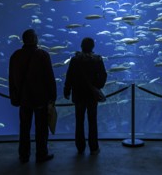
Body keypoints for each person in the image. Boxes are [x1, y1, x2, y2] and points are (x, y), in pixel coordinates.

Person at [9, 29, 57, 163]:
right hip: (40, 99)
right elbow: (49, 78)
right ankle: (41, 154)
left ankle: (24, 155)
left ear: (24, 40)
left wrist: (14, 97)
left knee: (24, 128)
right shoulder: (43, 55)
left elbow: (11, 79)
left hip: (23, 99)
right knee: (41, 129)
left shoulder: (15, 56)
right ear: (35, 39)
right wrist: (52, 97)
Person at [64, 37, 107, 155]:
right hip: (92, 95)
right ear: (93, 46)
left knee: (79, 121)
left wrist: (67, 90)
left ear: (81, 46)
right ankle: (93, 147)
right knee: (92, 121)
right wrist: (97, 87)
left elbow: (69, 76)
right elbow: (103, 75)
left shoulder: (75, 59)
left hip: (78, 94)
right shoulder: (97, 59)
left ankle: (80, 147)